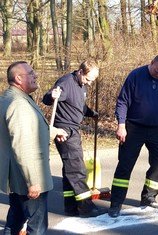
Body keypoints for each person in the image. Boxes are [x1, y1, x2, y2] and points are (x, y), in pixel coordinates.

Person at [108, 54, 158, 218]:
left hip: (157, 129)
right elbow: (123, 101)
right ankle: (116, 202)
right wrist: (121, 125)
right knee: (125, 164)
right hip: (134, 127)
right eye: (157, 71)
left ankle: (149, 197)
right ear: (152, 63)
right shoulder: (136, 76)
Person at [0, 61, 68, 234]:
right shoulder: (18, 104)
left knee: (15, 220)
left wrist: (51, 131)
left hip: (15, 175)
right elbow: (22, 144)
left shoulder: (9, 97)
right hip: (28, 176)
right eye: (30, 73)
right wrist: (32, 182)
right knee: (36, 226)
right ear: (18, 78)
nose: (35, 75)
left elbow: (26, 130)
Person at [42, 60, 107, 217]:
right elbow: (47, 99)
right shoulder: (65, 83)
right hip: (64, 131)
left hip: (74, 130)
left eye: (92, 81)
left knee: (69, 169)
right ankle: (86, 207)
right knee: (76, 169)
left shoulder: (81, 85)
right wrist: (51, 95)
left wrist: (91, 113)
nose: (90, 84)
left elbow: (79, 105)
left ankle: (71, 207)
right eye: (88, 79)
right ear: (80, 72)